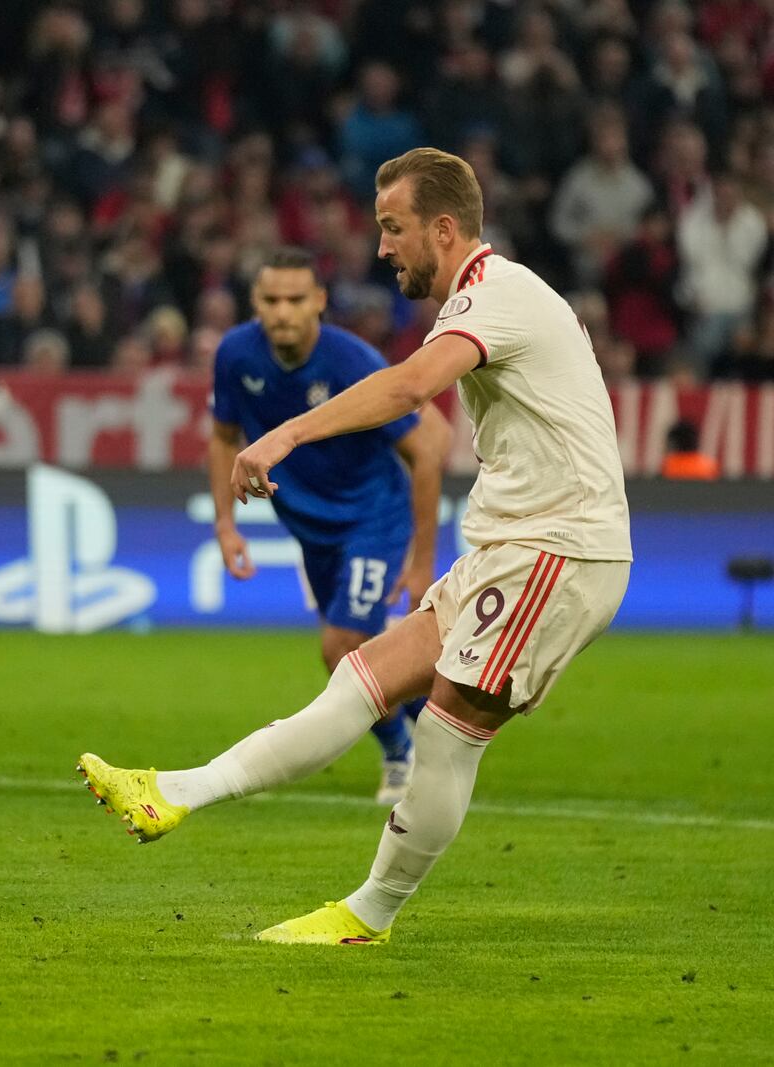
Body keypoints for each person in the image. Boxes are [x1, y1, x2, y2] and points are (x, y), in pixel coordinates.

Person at [79, 148, 631, 944]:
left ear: (443, 229)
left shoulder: (499, 294)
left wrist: (287, 434)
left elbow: (412, 391)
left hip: (559, 550)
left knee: (446, 729)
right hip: (516, 547)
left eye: (393, 228)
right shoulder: (478, 298)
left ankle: (368, 913)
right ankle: (173, 791)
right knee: (356, 679)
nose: (382, 248)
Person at [209, 247, 451, 805]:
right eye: (271, 300)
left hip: (373, 517)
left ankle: (399, 752)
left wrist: (421, 563)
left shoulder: (352, 362)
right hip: (310, 528)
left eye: (296, 299)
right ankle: (436, 714)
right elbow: (223, 438)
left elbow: (427, 452)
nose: (284, 312)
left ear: (319, 301)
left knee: (340, 645)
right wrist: (226, 524)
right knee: (362, 646)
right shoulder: (235, 355)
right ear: (256, 303)